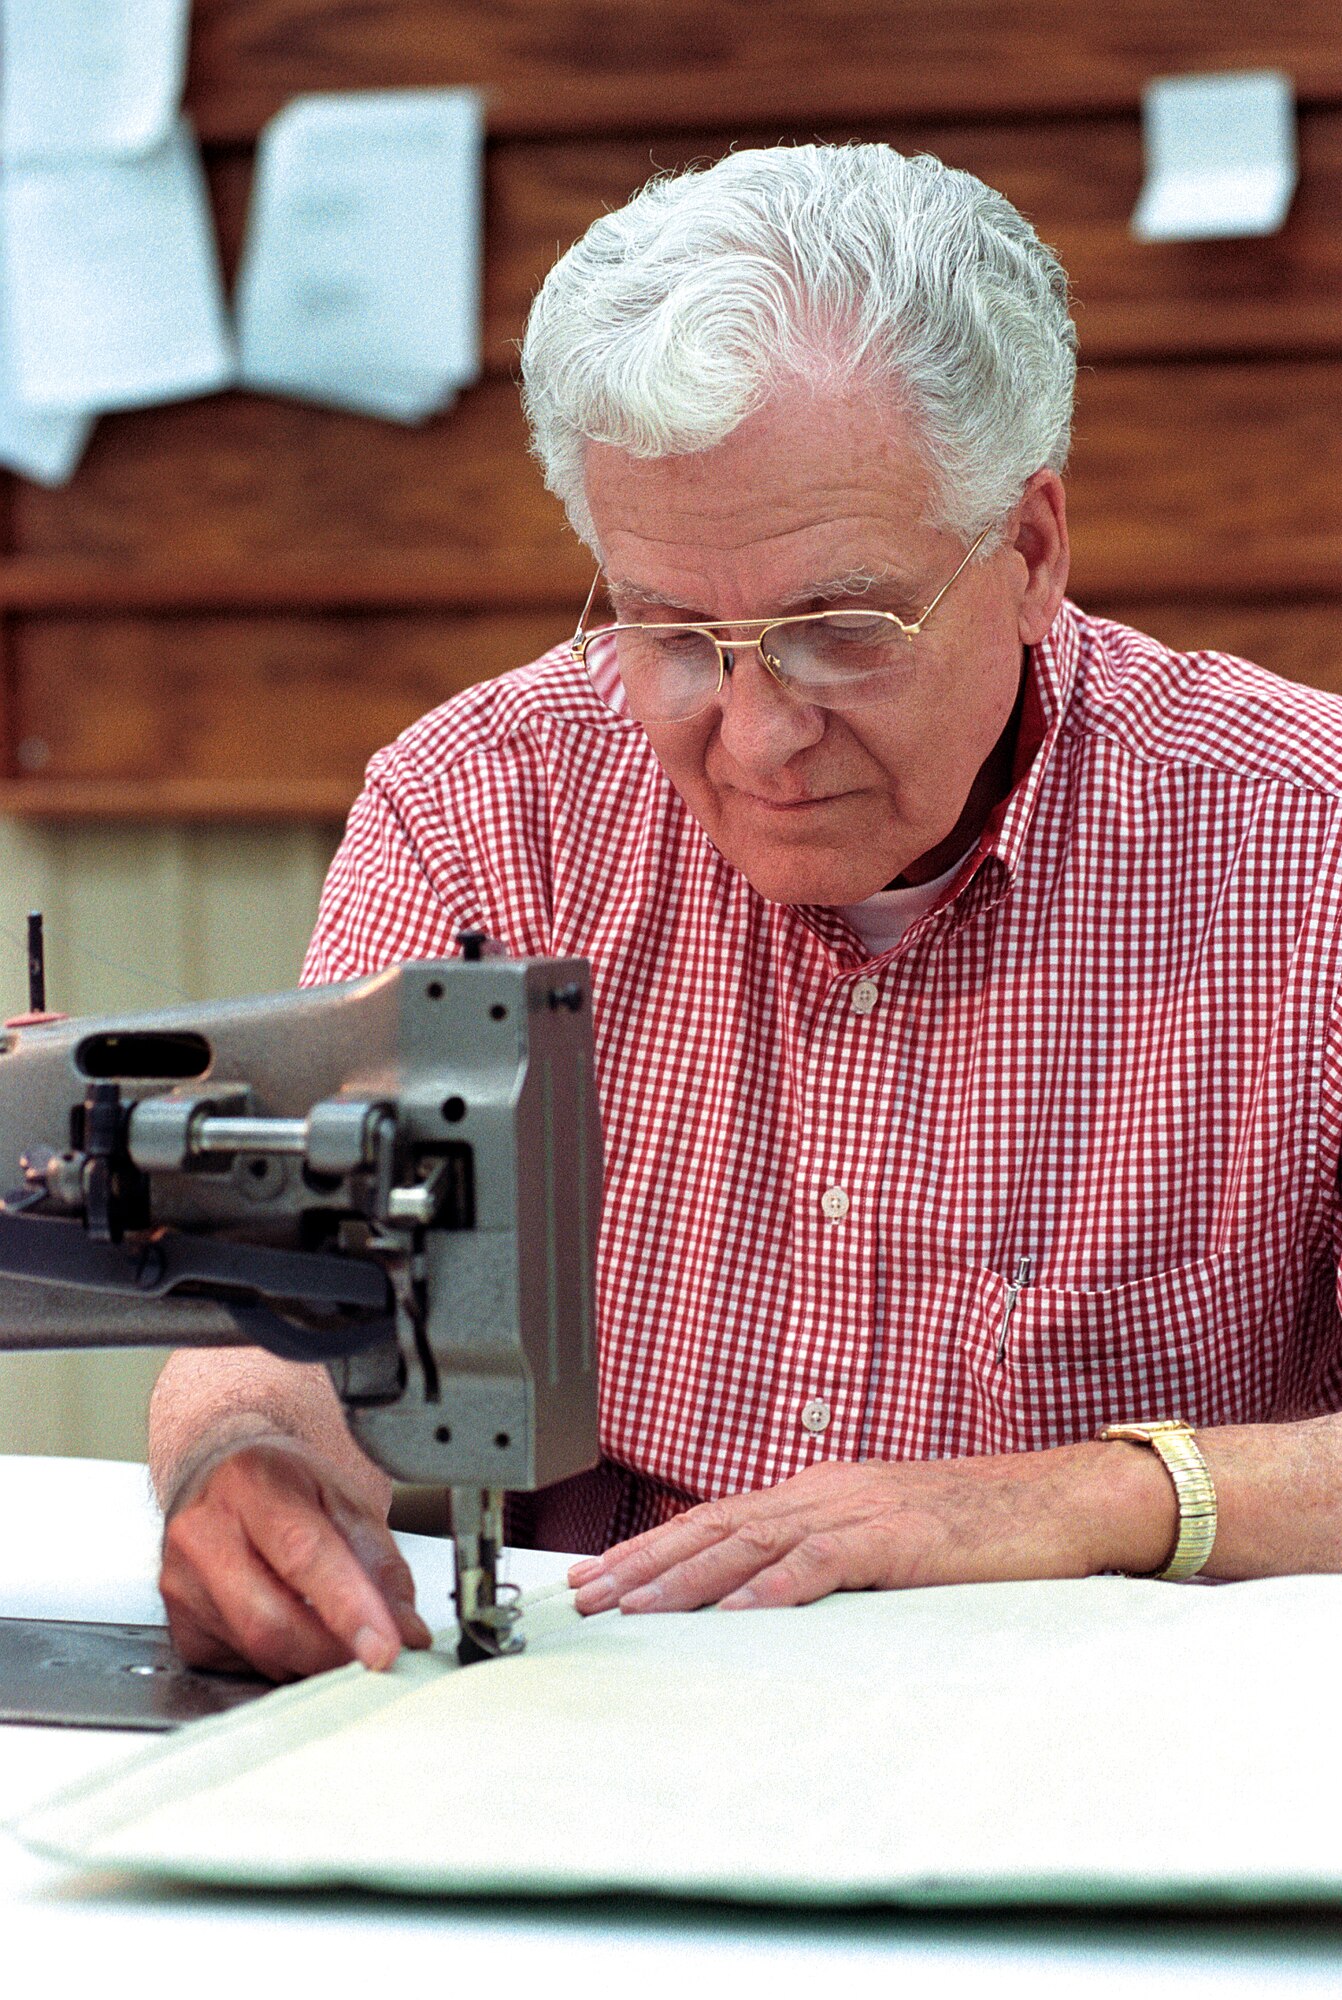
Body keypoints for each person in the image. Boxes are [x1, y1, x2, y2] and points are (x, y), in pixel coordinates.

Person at [150, 144, 1342, 1682]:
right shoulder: (482, 809)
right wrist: (241, 1462)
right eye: (669, 633)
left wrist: (1083, 1498)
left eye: (839, 629)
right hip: (614, 1715)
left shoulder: (1301, 846)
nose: (757, 734)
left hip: (1119, 1717)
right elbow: (299, 1310)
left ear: (1032, 551)